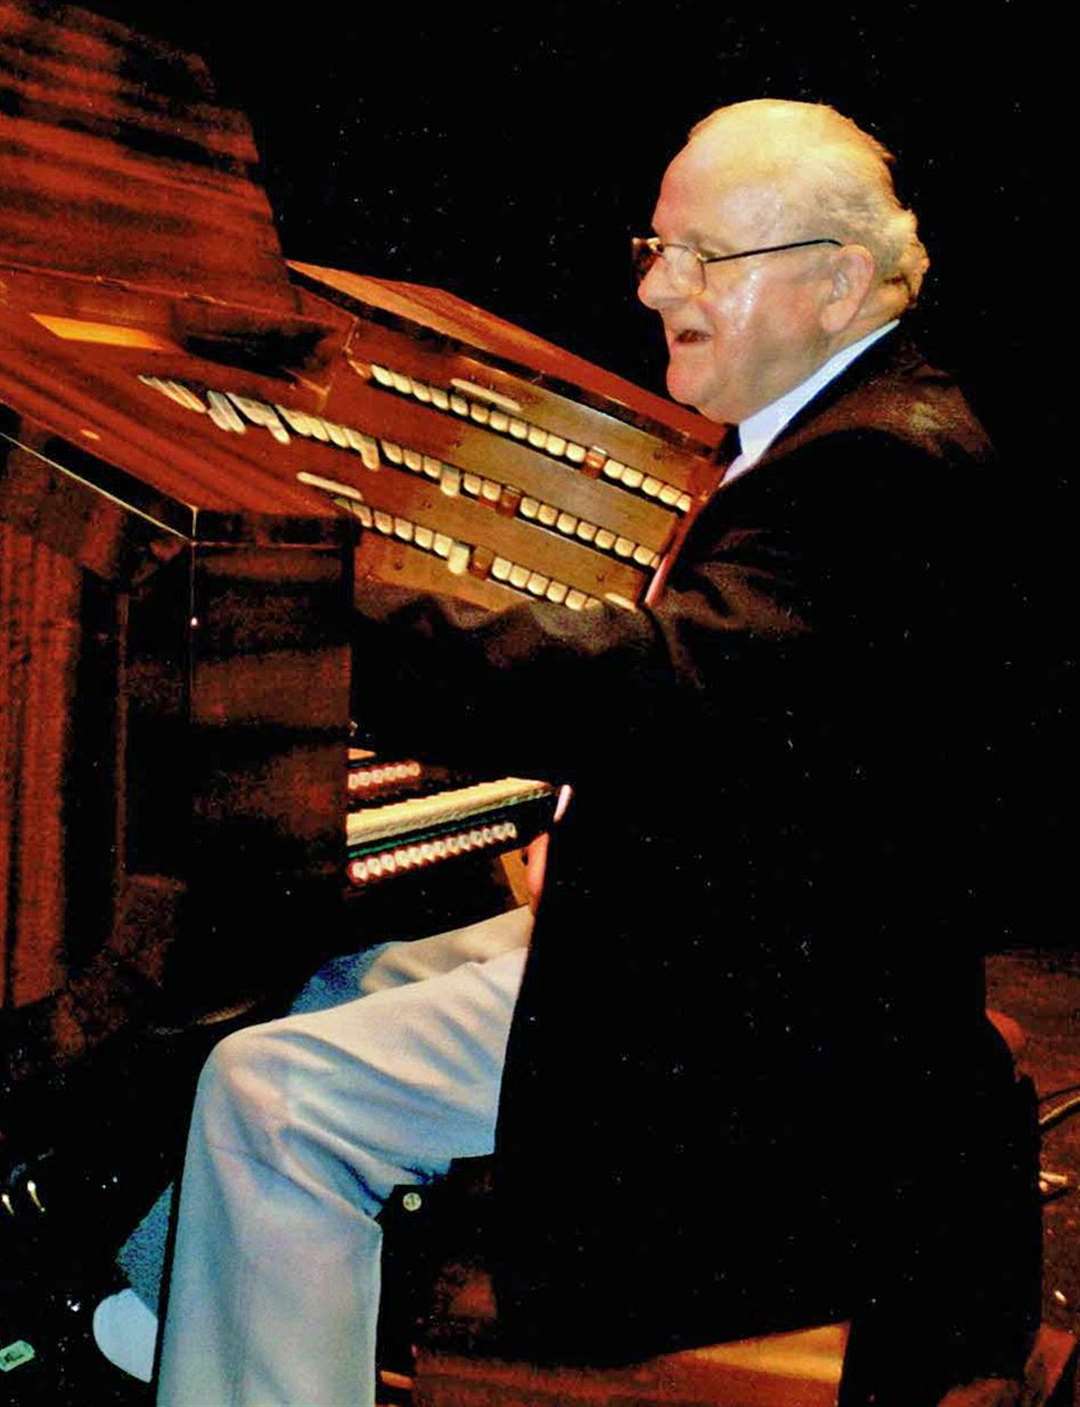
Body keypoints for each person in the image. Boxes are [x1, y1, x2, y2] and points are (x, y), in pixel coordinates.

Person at [97, 99, 1036, 1406]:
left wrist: (303, 604)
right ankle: (163, 1300)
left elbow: (659, 680)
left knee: (267, 1088)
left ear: (835, 280)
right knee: (357, 963)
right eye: (658, 247)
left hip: (765, 1027)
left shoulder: (874, 469)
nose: (661, 285)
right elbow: (769, 729)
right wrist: (586, 824)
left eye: (709, 258)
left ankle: (243, 1356)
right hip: (777, 958)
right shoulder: (861, 432)